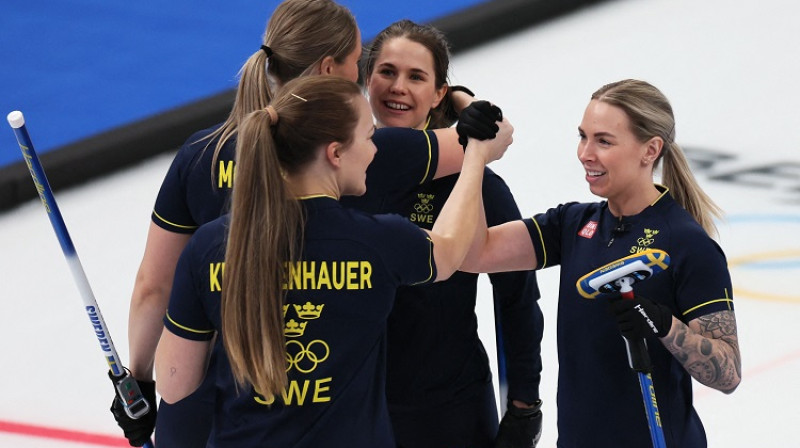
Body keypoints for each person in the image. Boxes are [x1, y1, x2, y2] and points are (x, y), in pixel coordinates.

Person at [112, 1, 482, 446]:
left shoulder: (201, 154)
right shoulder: (369, 151)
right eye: (358, 64)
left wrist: (136, 382)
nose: (363, 82)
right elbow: (482, 137)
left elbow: (154, 286)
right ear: (329, 69)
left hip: (212, 412)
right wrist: (460, 97)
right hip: (322, 407)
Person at [153, 75, 514, 447]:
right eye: (369, 137)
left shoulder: (210, 246)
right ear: (336, 153)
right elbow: (451, 249)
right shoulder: (378, 241)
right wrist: (475, 158)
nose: (375, 151)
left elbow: (174, 382)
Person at [461, 79, 741, 448]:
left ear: (650, 150)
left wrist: (662, 324)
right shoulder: (573, 224)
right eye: (583, 137)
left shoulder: (687, 244)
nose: (585, 153)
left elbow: (728, 373)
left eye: (604, 141)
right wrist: (474, 153)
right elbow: (473, 253)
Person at [342, 19, 544, 448]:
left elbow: (517, 295)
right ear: (367, 78)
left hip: (450, 411)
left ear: (438, 94)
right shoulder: (337, 173)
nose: (399, 87)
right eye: (388, 72)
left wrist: (525, 401)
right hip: (352, 408)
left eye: (417, 77)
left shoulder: (475, 182)